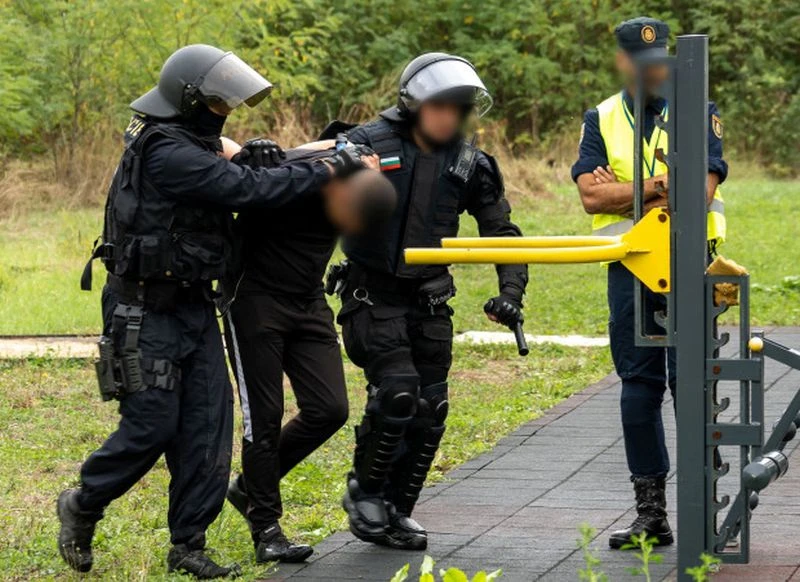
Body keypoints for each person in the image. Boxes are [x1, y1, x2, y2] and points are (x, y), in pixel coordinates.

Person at [57, 44, 371, 579]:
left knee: (207, 427)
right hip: (142, 308)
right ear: (188, 98)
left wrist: (261, 151)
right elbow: (241, 189)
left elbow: (235, 164)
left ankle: (188, 545)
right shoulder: (164, 150)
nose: (224, 112)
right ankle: (84, 501)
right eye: (218, 102)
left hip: (194, 302)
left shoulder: (191, 138)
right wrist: (326, 168)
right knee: (153, 424)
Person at [333, 52, 529, 551]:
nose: (449, 116)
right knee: (398, 391)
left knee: (430, 406)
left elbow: (501, 232)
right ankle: (366, 490)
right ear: (415, 103)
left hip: (429, 300)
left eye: (459, 108)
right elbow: (308, 195)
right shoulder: (364, 144)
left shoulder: (469, 162)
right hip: (371, 294)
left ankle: (399, 507)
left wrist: (510, 293)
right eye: (441, 106)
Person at [571, 17, 727, 549]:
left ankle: (705, 508)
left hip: (689, 263)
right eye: (641, 62)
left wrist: (635, 189)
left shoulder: (699, 111)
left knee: (692, 383)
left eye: (659, 59)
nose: (652, 69)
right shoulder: (602, 118)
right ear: (621, 62)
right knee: (638, 388)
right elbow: (591, 198)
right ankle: (651, 515)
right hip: (630, 265)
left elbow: (699, 193)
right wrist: (665, 183)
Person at [217, 137, 396, 564]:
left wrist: (357, 156)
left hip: (307, 300)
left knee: (329, 408)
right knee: (262, 417)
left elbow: (347, 144)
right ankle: (266, 528)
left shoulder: (353, 174)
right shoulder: (298, 177)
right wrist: (252, 150)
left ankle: (249, 487)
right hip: (254, 300)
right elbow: (223, 145)